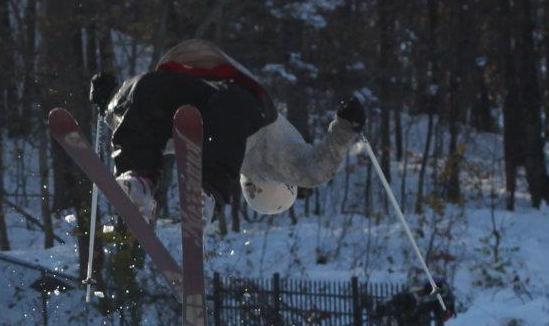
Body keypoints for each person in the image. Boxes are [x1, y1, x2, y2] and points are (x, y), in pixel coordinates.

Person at [100, 39, 366, 221]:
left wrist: (112, 103)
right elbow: (317, 170)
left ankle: (143, 178)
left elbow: (148, 130)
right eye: (254, 189)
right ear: (284, 186)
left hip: (212, 96)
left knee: (147, 87)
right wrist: (346, 127)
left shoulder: (247, 160)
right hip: (232, 100)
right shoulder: (281, 162)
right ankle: (185, 190)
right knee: (218, 104)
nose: (249, 185)